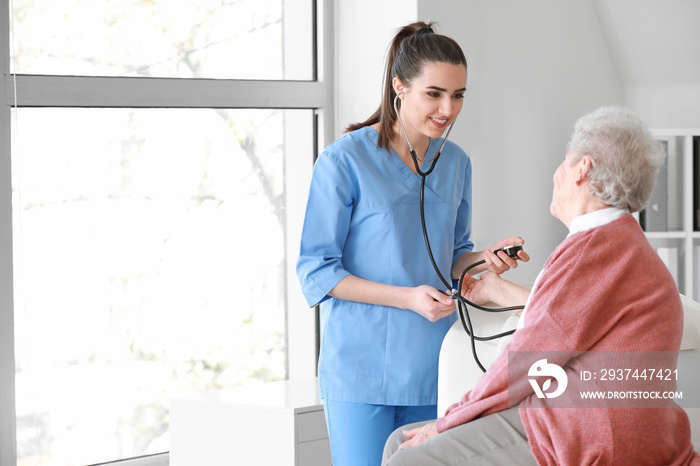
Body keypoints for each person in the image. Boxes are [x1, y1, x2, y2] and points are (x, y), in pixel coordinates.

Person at [382, 106, 700, 465]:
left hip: (589, 430)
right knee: (400, 441)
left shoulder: (592, 250)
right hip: (607, 420)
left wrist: (448, 422)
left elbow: (528, 360)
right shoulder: (622, 245)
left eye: (565, 162)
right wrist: (502, 293)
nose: (557, 175)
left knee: (408, 457)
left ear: (583, 168)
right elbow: (569, 323)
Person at [296, 21, 528, 465]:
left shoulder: (456, 163)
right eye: (435, 94)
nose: (448, 108)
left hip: (432, 366)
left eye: (458, 95)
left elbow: (454, 255)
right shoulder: (345, 160)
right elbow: (317, 269)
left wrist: (485, 260)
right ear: (400, 87)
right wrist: (406, 298)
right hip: (361, 371)